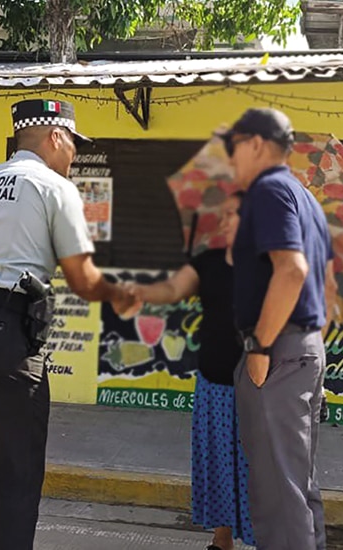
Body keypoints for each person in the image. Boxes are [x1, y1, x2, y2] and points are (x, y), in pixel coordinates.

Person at [0, 98, 135, 550]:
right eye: (73, 145)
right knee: (15, 476)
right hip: (3, 334)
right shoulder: (55, 187)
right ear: (56, 137)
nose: (75, 156)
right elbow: (82, 277)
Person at [221, 108, 332, 550]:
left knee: (277, 494)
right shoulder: (303, 196)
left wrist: (261, 346)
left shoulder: (268, 190)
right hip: (302, 347)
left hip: (279, 352)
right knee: (296, 486)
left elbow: (292, 270)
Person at [125, 192, 255, 550]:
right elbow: (173, 288)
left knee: (257, 469)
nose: (225, 221)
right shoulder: (209, 261)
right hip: (214, 381)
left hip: (259, 385)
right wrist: (139, 291)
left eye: (233, 215)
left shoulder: (273, 265)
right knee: (218, 463)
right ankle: (222, 539)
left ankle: (265, 538)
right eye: (223, 215)